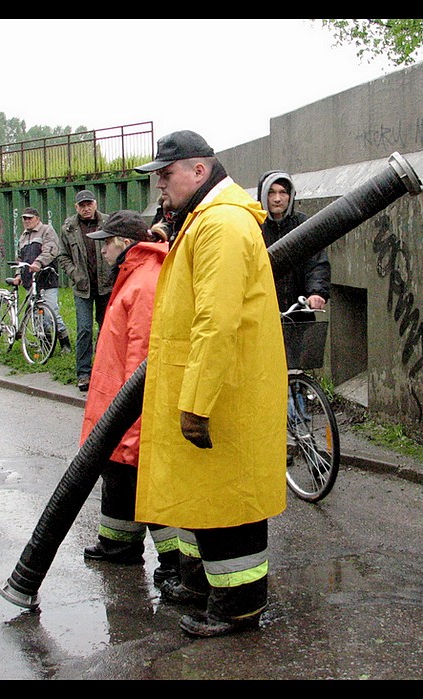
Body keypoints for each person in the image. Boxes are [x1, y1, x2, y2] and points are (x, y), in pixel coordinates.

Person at [133, 130, 288, 638]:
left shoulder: (220, 223)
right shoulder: (208, 219)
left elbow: (216, 322)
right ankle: (225, 597)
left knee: (231, 504)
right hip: (223, 390)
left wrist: (196, 402)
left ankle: (239, 608)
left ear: (199, 171)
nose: (159, 185)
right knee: (219, 498)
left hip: (221, 395)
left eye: (165, 174)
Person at [78, 211, 178, 586]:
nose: (102, 249)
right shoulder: (135, 274)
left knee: (143, 484)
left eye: (106, 242)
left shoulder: (146, 280)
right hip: (115, 407)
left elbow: (142, 363)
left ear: (124, 244)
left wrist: (133, 428)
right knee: (117, 477)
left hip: (129, 412)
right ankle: (116, 545)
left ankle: (174, 562)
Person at [57, 190, 113, 391]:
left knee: (107, 329)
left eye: (89, 204)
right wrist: (74, 273)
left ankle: (106, 371)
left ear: (95, 204)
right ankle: (83, 373)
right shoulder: (69, 227)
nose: (86, 208)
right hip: (83, 288)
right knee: (84, 329)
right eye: (82, 205)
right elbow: (62, 255)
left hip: (106, 285)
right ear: (76, 207)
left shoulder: (107, 222)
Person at [257, 171, 330, 319]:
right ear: (263, 196)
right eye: (271, 193)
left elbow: (316, 262)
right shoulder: (253, 226)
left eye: (283, 192)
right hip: (262, 312)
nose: (277, 199)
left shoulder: (303, 225)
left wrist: (316, 292)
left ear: (291, 195)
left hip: (298, 310)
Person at [12, 207, 71, 353]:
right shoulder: (23, 236)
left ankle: (65, 343)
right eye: (24, 218)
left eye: (29, 218)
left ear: (37, 218)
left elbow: (51, 249)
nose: (26, 221)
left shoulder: (46, 230)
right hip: (30, 281)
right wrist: (19, 274)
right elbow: (20, 258)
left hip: (46, 278)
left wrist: (38, 263)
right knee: (36, 314)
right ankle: (45, 344)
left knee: (50, 312)